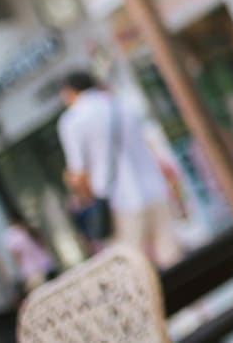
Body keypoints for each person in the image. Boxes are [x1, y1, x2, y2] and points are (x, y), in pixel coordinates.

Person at [57, 71, 183, 268]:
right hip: (155, 189)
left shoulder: (72, 120)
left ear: (69, 92)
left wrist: (79, 191)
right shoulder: (123, 104)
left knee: (132, 267)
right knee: (171, 256)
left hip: (119, 201)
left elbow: (79, 173)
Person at [2, 215, 55, 296]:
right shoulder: (16, 234)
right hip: (38, 267)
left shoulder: (17, 234)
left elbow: (16, 255)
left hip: (36, 268)